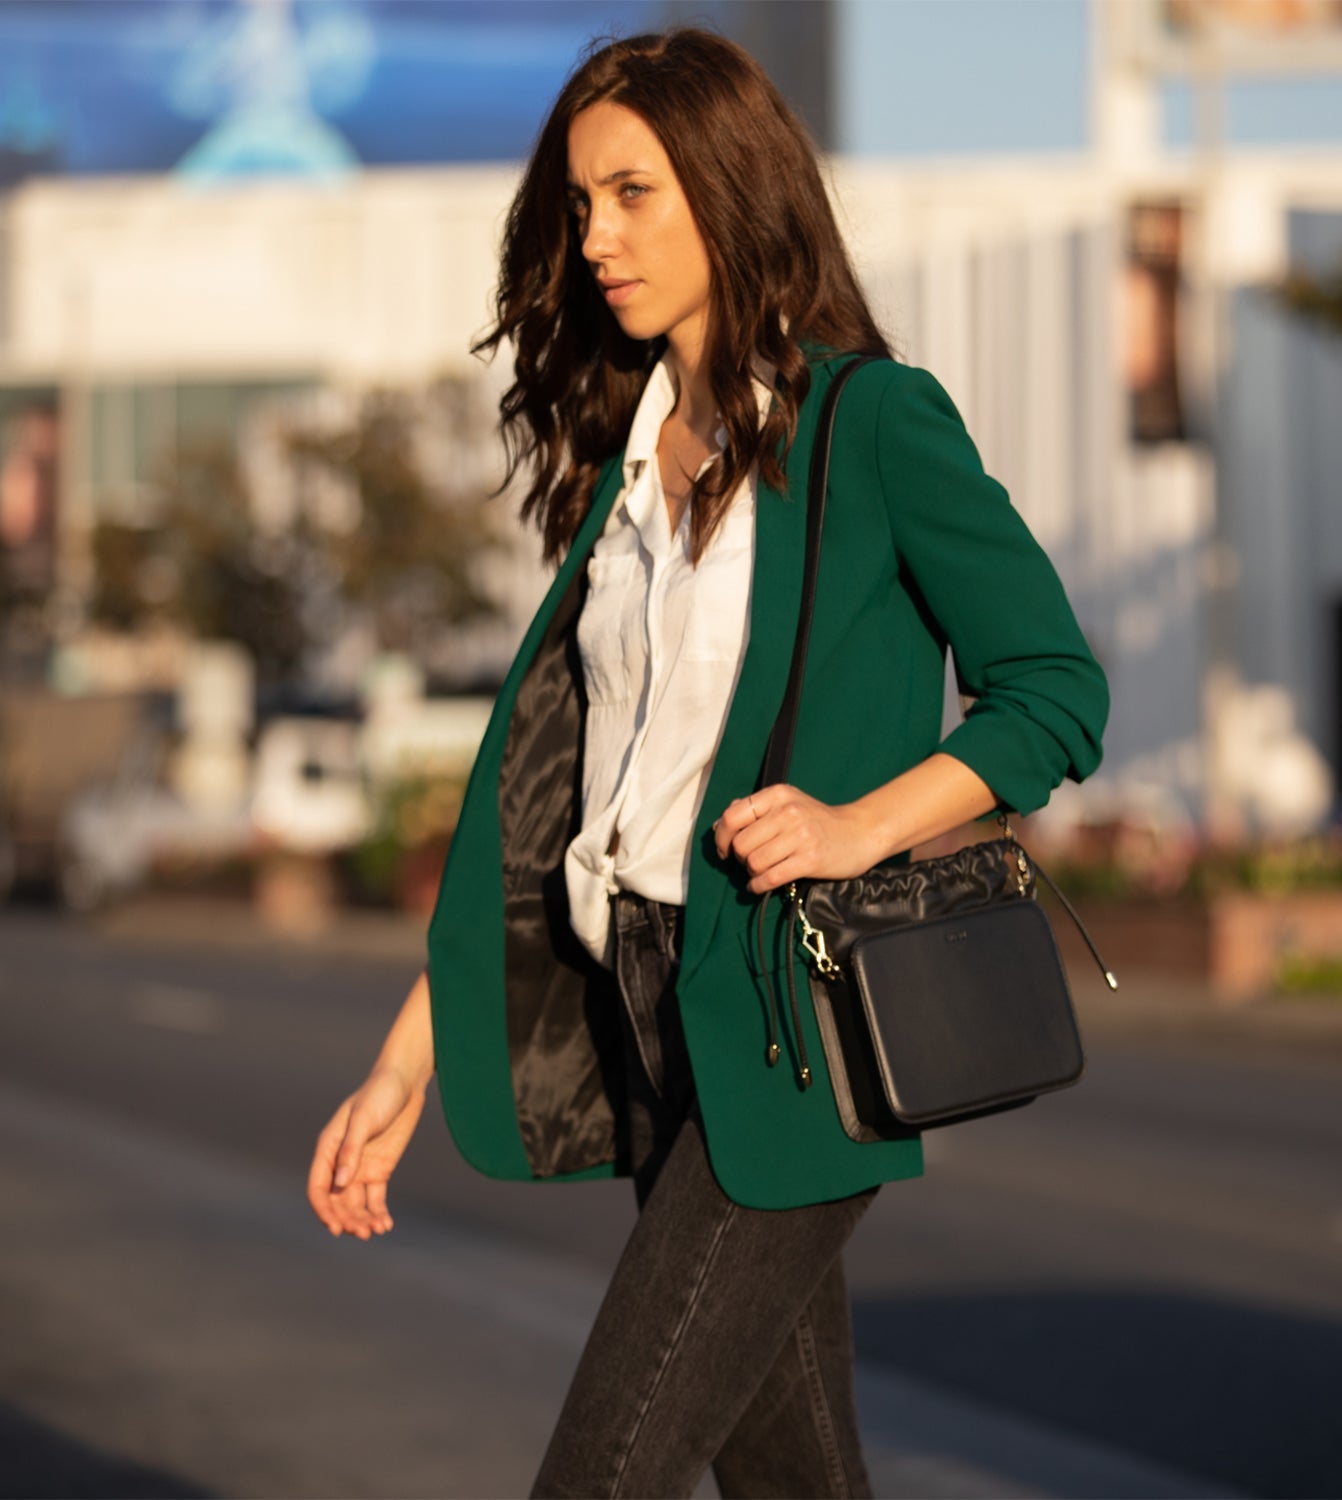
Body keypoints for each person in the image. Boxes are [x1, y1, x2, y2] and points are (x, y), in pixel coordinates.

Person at [307, 28, 1109, 1500]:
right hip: (644, 1012)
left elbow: (1052, 692)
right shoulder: (626, 458)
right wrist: (405, 1058)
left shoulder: (871, 423)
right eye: (579, 206)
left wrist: (864, 821)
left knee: (604, 1470)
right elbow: (566, 810)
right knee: (796, 1478)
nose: (595, 238)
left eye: (631, 195)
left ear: (730, 192)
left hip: (789, 1023)